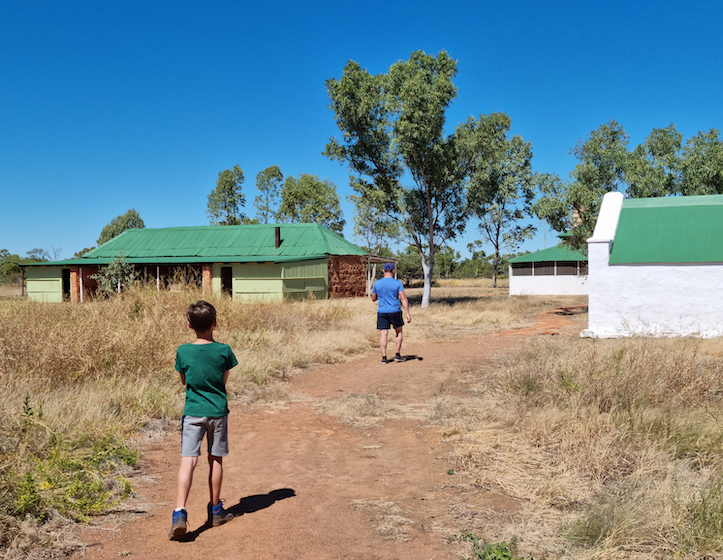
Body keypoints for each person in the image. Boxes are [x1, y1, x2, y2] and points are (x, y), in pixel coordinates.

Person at [169, 300, 238, 540]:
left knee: (188, 461)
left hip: (193, 412)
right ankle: (216, 510)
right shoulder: (224, 350)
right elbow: (223, 379)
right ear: (215, 323)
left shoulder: (183, 351)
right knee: (215, 459)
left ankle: (179, 512)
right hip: (218, 411)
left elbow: (185, 381)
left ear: (189, 325)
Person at [371, 262, 411, 363]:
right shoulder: (398, 283)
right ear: (393, 271)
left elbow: (373, 298)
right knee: (399, 331)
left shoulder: (377, 283)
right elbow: (403, 298)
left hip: (382, 312)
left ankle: (384, 357)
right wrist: (407, 313)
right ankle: (397, 354)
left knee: (383, 334)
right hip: (395, 311)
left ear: (383, 271)